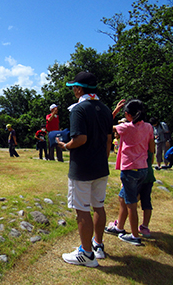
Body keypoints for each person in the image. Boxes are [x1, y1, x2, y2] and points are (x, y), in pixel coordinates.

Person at [57, 71, 113, 267]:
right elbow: (108, 141)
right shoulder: (105, 109)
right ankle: (98, 245)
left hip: (82, 169)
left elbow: (80, 139)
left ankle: (86, 254)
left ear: (79, 89)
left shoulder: (78, 110)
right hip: (101, 167)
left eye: (74, 87)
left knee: (82, 210)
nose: (73, 90)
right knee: (98, 206)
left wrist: (65, 146)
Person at [105, 100, 155, 246]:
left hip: (130, 170)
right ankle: (119, 227)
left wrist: (114, 111)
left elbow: (106, 126)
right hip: (143, 169)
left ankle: (134, 236)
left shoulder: (125, 127)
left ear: (127, 114)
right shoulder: (148, 127)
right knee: (123, 198)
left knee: (131, 204)